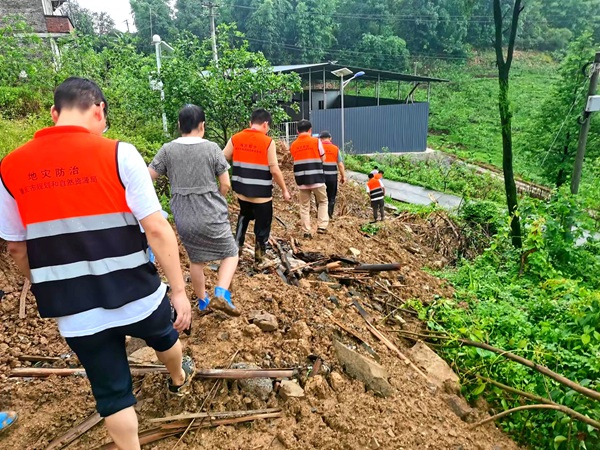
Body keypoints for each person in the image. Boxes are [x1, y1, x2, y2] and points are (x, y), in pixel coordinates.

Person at [0, 77, 194, 450]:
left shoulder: (10, 167)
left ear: (54, 113)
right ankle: (178, 381)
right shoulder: (118, 153)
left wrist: (46, 284)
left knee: (111, 392)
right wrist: (180, 291)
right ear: (99, 110)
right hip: (137, 292)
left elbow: (16, 249)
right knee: (164, 336)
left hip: (76, 310)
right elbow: (156, 227)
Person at [149, 104, 240, 317]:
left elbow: (147, 176)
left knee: (196, 260)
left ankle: (202, 301)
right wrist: (217, 196)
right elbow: (225, 183)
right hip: (211, 211)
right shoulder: (212, 148)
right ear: (203, 125)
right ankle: (221, 292)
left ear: (179, 125)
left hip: (183, 215)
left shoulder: (167, 149)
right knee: (231, 253)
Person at [223, 109, 291, 264]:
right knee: (262, 227)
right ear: (266, 124)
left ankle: (235, 253)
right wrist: (285, 190)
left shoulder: (236, 138)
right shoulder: (268, 142)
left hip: (242, 193)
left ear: (250, 123)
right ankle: (259, 260)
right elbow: (274, 169)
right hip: (262, 196)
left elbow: (222, 158)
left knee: (243, 217)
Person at [289, 119, 328, 237]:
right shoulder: (316, 141)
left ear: (297, 131)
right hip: (317, 179)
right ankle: (322, 226)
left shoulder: (293, 144)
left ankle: (306, 231)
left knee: (304, 206)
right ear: (310, 130)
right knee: (322, 201)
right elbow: (323, 158)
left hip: (302, 180)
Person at [318, 130, 347, 219]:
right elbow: (340, 165)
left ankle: (320, 215)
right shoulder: (335, 148)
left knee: (320, 197)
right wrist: (343, 176)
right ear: (330, 138)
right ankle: (329, 215)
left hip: (320, 177)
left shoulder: (318, 148)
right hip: (332, 178)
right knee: (331, 197)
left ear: (320, 139)